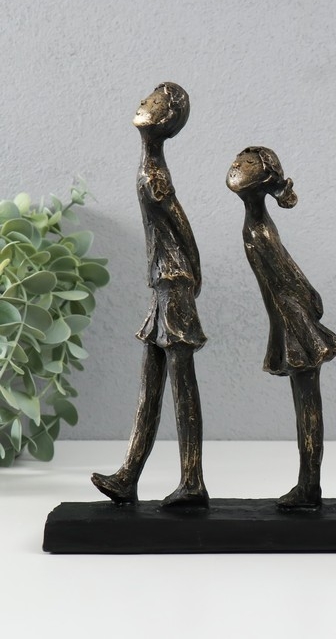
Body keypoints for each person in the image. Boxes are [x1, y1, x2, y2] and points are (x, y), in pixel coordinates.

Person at [91, 82, 209, 508]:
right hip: (163, 281)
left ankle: (192, 481)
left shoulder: (155, 172)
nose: (144, 101)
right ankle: (128, 475)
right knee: (151, 383)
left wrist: (193, 273)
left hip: (173, 281)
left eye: (155, 100)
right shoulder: (150, 164)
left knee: (181, 383)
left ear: (167, 118)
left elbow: (180, 224)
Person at [226, 146, 336, 508]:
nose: (237, 165)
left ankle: (309, 487)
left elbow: (289, 275)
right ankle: (308, 485)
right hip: (287, 318)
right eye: (239, 159)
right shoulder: (254, 224)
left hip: (296, 322)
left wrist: (310, 303)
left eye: (248, 163)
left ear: (263, 178)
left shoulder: (259, 230)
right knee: (305, 404)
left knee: (307, 406)